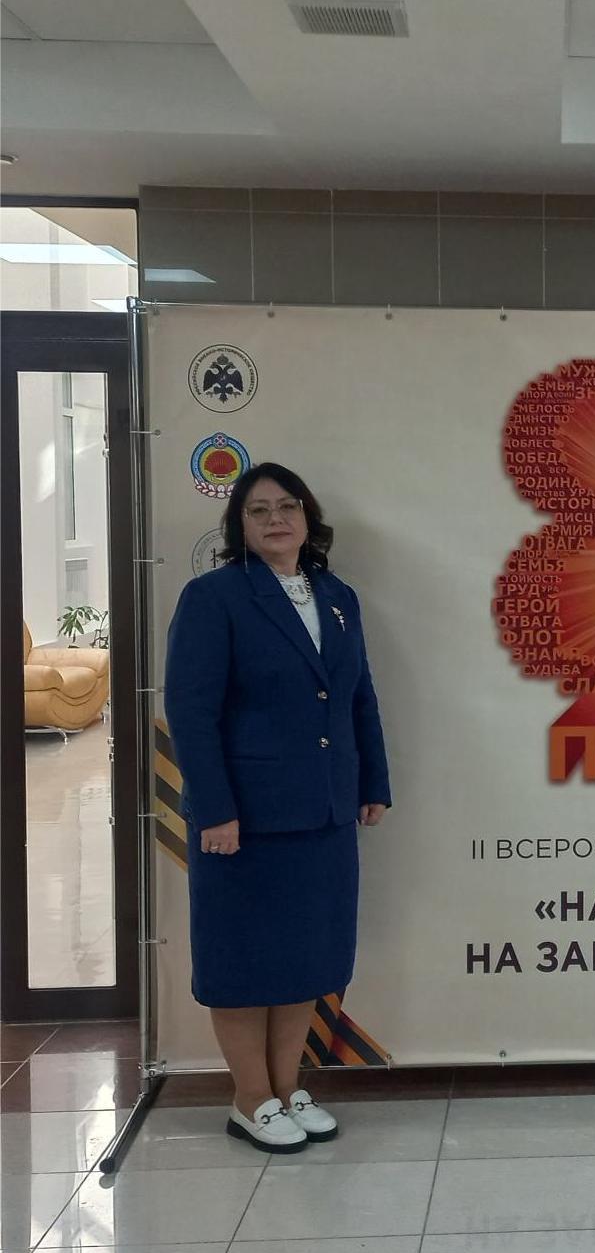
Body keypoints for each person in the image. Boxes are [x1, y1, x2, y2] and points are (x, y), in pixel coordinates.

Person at [165, 463, 390, 1153]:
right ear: (239, 525)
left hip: (324, 810)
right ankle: (250, 1099)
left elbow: (357, 697)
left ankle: (288, 1088)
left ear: (307, 516)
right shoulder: (214, 597)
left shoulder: (337, 596)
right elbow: (191, 712)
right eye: (257, 510)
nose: (274, 520)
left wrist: (372, 782)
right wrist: (215, 809)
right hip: (244, 818)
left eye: (286, 506)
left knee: (306, 957)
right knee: (242, 962)